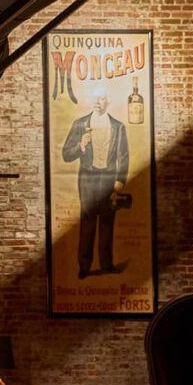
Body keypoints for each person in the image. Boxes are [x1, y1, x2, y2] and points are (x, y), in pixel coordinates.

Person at [62, 86, 130, 279]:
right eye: (94, 98)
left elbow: (123, 156)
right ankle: (84, 266)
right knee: (87, 221)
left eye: (101, 99)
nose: (97, 102)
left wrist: (119, 181)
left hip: (108, 178)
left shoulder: (118, 127)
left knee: (107, 221)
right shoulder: (79, 124)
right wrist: (81, 145)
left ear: (107, 102)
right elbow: (66, 154)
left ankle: (106, 264)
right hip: (87, 178)